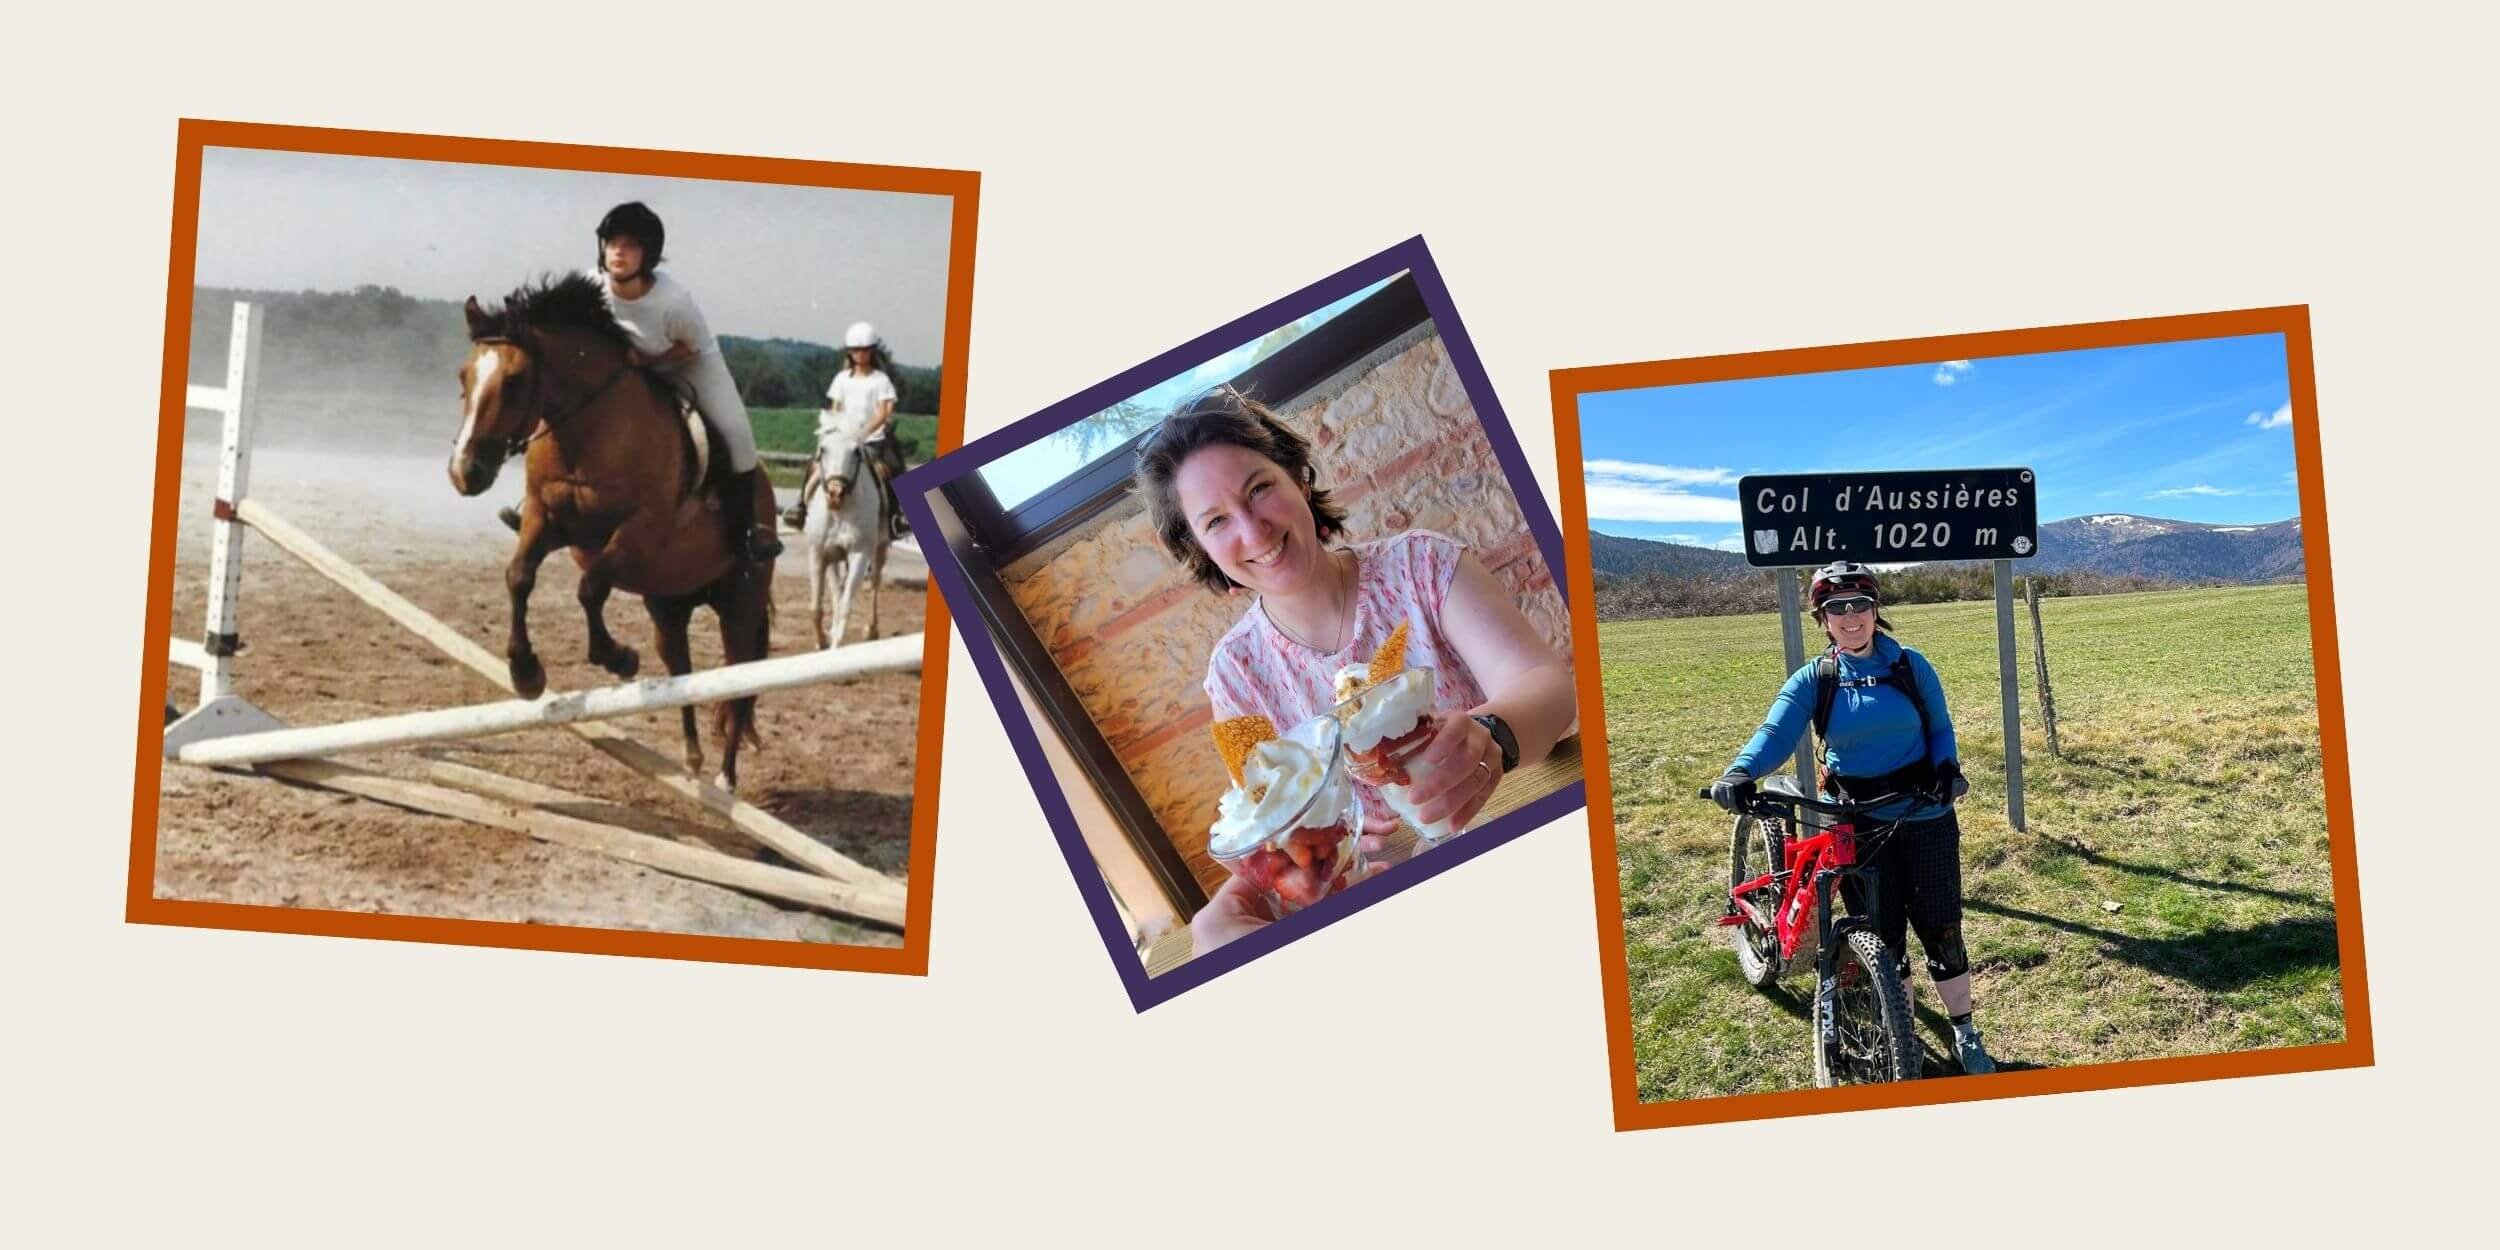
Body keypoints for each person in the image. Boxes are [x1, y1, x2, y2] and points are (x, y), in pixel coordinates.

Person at [1134, 386, 1577, 953]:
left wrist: (1491, 736)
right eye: (1216, 521)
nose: (1254, 530)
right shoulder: (1235, 673)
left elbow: (1547, 687)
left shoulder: (1421, 565)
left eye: (1260, 488)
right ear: (1197, 547)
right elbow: (1275, 821)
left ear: (1298, 477)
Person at [1707, 561, 1996, 1075]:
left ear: (1875, 610)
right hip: (1855, 817)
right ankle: (1898, 1029)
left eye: (1859, 604)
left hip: (1924, 810)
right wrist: (1740, 771)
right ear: (1823, 619)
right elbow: (1776, 731)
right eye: (1836, 608)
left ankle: (1964, 1032)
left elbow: (1940, 729)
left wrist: (1947, 770)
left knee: (1942, 928)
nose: (1850, 616)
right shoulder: (1815, 680)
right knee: (1882, 935)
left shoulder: (1911, 666)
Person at [496, 202, 780, 563]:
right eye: (612, 243)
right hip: (627, 369)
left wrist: (647, 361)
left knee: (738, 436)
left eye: (629, 245)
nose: (618, 252)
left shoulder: (673, 300)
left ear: (648, 255)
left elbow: (687, 347)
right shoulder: (589, 284)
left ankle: (747, 531)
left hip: (687, 363)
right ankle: (540, 508)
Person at [784, 321, 910, 540]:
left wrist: (864, 433)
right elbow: (836, 408)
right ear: (850, 353)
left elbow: (884, 412)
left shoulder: (881, 381)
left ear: (872, 352)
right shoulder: (841, 379)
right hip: (844, 438)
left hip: (873, 438)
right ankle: (801, 507)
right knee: (814, 465)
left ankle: (895, 518)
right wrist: (835, 430)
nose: (860, 355)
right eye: (855, 350)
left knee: (891, 467)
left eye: (865, 350)